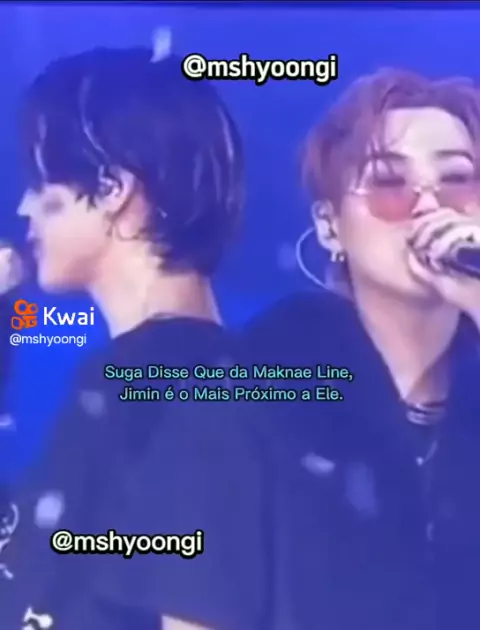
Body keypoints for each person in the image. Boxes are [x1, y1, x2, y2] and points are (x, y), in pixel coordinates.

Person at [1, 39, 275, 630]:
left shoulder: (191, 394)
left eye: (43, 182)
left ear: (112, 189)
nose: (24, 208)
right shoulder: (127, 381)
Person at [245, 68, 480, 630]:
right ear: (330, 227)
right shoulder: (268, 375)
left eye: (457, 180)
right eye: (390, 183)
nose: (429, 205)